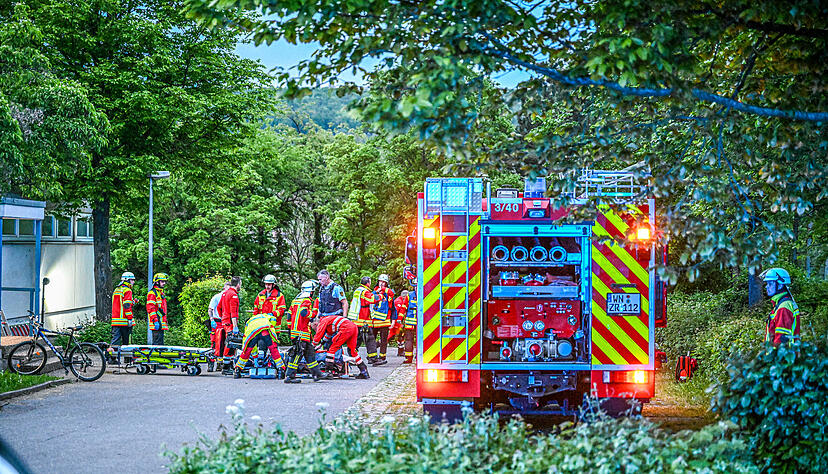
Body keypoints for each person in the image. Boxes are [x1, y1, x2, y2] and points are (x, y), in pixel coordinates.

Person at [284, 280, 326, 383]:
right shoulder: (306, 300)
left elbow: (289, 316)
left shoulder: (295, 301)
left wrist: (291, 329)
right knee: (297, 355)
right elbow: (304, 313)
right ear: (311, 291)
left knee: (310, 354)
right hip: (301, 334)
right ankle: (289, 376)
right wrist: (314, 312)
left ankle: (317, 374)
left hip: (297, 333)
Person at [313, 314, 370, 379]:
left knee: (332, 349)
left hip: (346, 328)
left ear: (315, 324)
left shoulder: (323, 321)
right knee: (352, 351)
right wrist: (320, 345)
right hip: (353, 327)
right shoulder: (329, 320)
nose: (315, 329)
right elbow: (328, 334)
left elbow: (317, 336)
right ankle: (364, 371)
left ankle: (329, 372)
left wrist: (312, 346)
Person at [233, 312, 286, 379]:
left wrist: (255, 357)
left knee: (246, 351)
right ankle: (281, 370)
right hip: (265, 330)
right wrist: (271, 328)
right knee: (273, 350)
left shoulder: (249, 324)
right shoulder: (265, 316)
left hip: (253, 333)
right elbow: (273, 320)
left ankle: (237, 370)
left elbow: (246, 343)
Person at [760, 267, 801, 346]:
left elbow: (781, 339)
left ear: (780, 286)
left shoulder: (783, 307)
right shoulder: (780, 304)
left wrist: (774, 357)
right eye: (767, 284)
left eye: (770, 284)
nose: (767, 287)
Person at [217, 276, 242, 373]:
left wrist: (223, 317)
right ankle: (226, 367)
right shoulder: (234, 295)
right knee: (231, 344)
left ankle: (227, 365)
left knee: (228, 343)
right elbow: (234, 313)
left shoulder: (225, 294)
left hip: (225, 322)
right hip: (230, 323)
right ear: (238, 284)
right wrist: (235, 326)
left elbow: (219, 307)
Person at [353, 276, 380, 361]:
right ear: (368, 283)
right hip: (364, 320)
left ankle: (352, 356)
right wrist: (381, 296)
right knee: (370, 339)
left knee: (356, 340)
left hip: (356, 319)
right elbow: (372, 299)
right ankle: (373, 358)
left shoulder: (358, 290)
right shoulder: (365, 291)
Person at [370, 274, 395, 366]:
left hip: (385, 321)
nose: (382, 284)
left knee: (384, 340)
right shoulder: (374, 292)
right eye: (381, 281)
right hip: (374, 321)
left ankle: (382, 357)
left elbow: (393, 308)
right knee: (371, 339)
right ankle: (372, 357)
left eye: (384, 282)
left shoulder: (389, 293)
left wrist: (393, 320)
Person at [110, 271, 136, 352]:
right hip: (124, 321)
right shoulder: (127, 290)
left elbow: (120, 303)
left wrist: (133, 302)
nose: (133, 282)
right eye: (132, 280)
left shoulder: (117, 289)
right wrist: (130, 318)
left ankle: (112, 358)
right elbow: (126, 306)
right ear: (127, 280)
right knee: (126, 342)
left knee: (115, 341)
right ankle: (127, 359)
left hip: (115, 320)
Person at [209, 281, 230, 359]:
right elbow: (210, 309)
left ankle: (221, 362)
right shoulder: (217, 297)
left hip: (226, 322)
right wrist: (211, 320)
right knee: (214, 342)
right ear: (224, 288)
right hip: (217, 322)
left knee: (226, 343)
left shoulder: (230, 297)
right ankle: (211, 361)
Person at [146, 273, 169, 345]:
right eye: (162, 281)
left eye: (164, 281)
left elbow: (162, 309)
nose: (164, 283)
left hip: (161, 323)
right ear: (157, 282)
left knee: (160, 345)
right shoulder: (152, 293)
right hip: (156, 323)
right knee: (157, 346)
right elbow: (150, 308)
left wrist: (165, 320)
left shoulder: (160, 293)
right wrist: (155, 321)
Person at [391, 290, 409, 356]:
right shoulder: (399, 301)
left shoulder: (399, 300)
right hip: (397, 322)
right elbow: (396, 312)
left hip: (398, 322)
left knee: (400, 336)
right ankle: (400, 351)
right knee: (398, 336)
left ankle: (400, 350)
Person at [403, 287, 417, 364]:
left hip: (411, 322)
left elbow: (403, 308)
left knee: (411, 340)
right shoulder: (410, 295)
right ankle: (409, 357)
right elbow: (404, 307)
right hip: (414, 322)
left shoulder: (410, 295)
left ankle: (410, 358)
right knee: (409, 340)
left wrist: (399, 318)